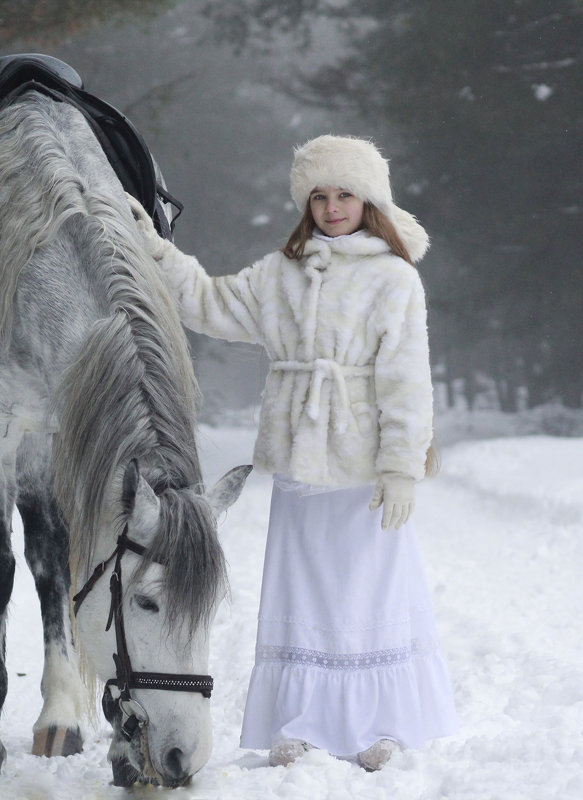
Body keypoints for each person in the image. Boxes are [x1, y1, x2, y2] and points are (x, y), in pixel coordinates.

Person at [128, 134, 458, 771]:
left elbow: (407, 378)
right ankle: (300, 722)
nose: (332, 207)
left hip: (363, 463)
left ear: (369, 200)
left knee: (370, 587)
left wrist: (401, 468)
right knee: (301, 588)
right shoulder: (280, 272)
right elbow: (207, 302)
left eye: (345, 194)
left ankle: (380, 725)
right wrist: (155, 250)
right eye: (319, 195)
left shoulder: (394, 278)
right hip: (299, 462)